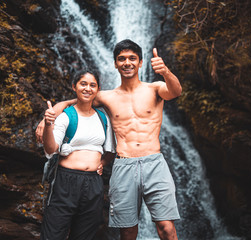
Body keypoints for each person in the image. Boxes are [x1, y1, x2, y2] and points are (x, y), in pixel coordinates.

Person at [36, 39, 182, 240]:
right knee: (128, 231)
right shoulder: (106, 97)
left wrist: (165, 71)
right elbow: (81, 99)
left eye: (132, 58)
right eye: (121, 59)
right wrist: (50, 116)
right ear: (115, 64)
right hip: (123, 166)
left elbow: (176, 91)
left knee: (166, 228)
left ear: (140, 62)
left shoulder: (155, 88)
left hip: (154, 163)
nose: (127, 62)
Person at [40, 70, 115, 240]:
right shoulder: (66, 117)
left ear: (97, 90)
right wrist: (48, 125)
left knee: (85, 233)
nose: (88, 88)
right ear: (74, 87)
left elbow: (110, 150)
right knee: (54, 232)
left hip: (94, 182)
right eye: (83, 84)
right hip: (66, 180)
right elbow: (51, 149)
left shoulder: (103, 118)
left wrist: (102, 162)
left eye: (92, 85)